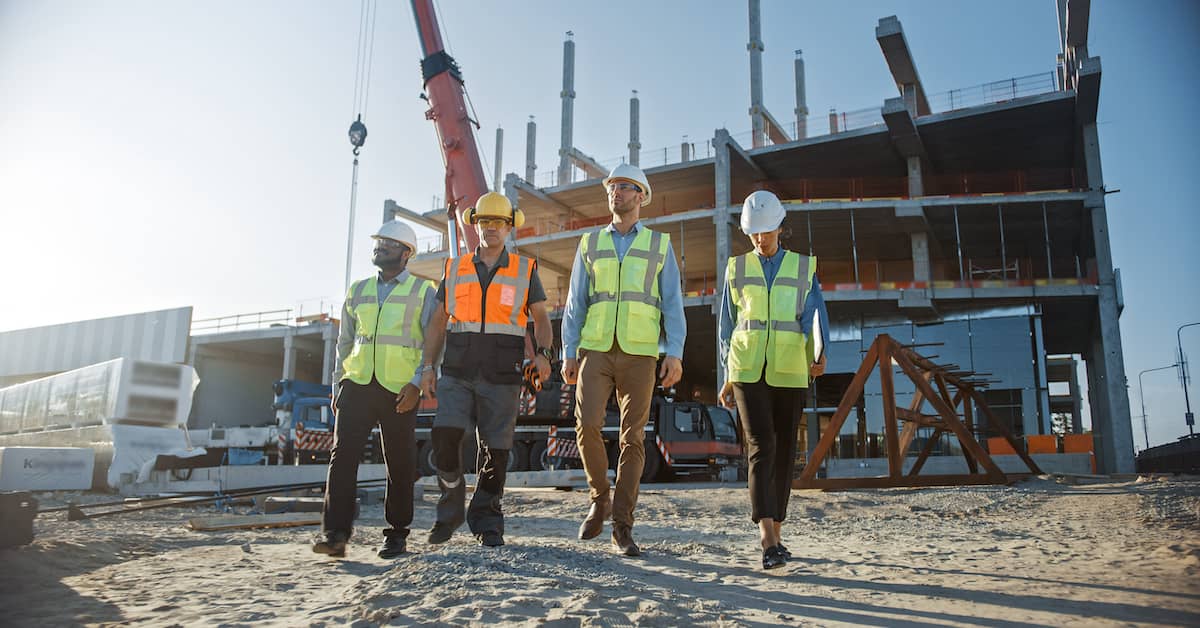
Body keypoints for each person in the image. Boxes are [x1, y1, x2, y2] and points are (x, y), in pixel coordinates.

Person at [561, 163, 686, 557]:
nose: (617, 192)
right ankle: (599, 498)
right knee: (587, 425)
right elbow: (574, 303)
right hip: (596, 348)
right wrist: (568, 350)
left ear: (641, 197)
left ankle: (622, 526)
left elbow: (672, 303)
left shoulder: (658, 245)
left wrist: (675, 352)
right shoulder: (589, 243)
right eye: (613, 186)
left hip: (640, 352)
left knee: (632, 438)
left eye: (626, 187)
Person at [419, 192, 553, 548]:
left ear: (510, 227)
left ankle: (487, 520)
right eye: (484, 222)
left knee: (496, 453)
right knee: (444, 440)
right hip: (457, 372)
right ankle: (450, 510)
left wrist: (543, 354)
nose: (491, 228)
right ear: (474, 225)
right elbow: (436, 324)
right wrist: (426, 368)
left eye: (498, 222)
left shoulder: (525, 270)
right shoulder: (455, 268)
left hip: (503, 374)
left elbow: (540, 318)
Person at [718, 190, 828, 570]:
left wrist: (819, 352)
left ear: (780, 227)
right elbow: (727, 325)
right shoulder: (736, 268)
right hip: (747, 367)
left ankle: (778, 535)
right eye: (754, 233)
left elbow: (815, 313)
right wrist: (726, 375)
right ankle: (766, 538)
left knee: (785, 453)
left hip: (790, 366)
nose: (760, 239)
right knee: (761, 444)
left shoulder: (803, 267)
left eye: (766, 231)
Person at [313, 220, 436, 560]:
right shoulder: (358, 289)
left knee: (399, 462)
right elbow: (345, 341)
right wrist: (338, 382)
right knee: (342, 459)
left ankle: (396, 534)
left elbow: (432, 344)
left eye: (389, 242)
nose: (380, 246)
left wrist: (417, 383)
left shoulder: (423, 292)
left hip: (399, 389)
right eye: (379, 241)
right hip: (357, 384)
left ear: (406, 253)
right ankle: (335, 534)